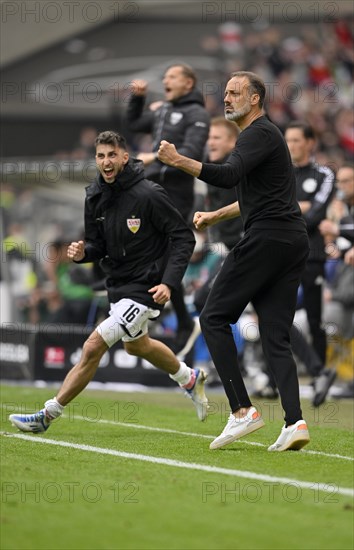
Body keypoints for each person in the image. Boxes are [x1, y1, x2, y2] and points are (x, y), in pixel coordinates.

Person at [9, 131, 208, 434]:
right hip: (118, 285)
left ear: (125, 157)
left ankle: (46, 415)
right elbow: (97, 246)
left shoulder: (149, 194)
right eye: (101, 156)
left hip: (146, 287)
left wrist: (169, 282)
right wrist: (81, 253)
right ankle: (189, 378)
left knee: (92, 347)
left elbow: (182, 238)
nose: (106, 161)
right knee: (137, 346)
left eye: (112, 155)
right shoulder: (94, 195)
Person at [158, 71, 311, 452]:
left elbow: (227, 176)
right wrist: (214, 217)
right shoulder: (266, 138)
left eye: (234, 93)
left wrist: (179, 160)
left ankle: (242, 410)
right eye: (225, 93)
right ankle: (295, 422)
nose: (226, 99)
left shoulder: (257, 133)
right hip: (291, 240)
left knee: (211, 315)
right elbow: (255, 198)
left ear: (255, 99)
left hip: (267, 239)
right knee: (275, 335)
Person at [126, 63, 210, 356]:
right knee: (147, 250)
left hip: (176, 191)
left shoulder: (197, 115)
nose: (166, 81)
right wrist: (137, 98)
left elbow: (191, 155)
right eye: (164, 77)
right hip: (151, 188)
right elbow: (135, 124)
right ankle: (177, 319)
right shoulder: (162, 109)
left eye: (172, 77)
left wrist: (152, 158)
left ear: (189, 83)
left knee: (166, 253)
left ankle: (175, 319)